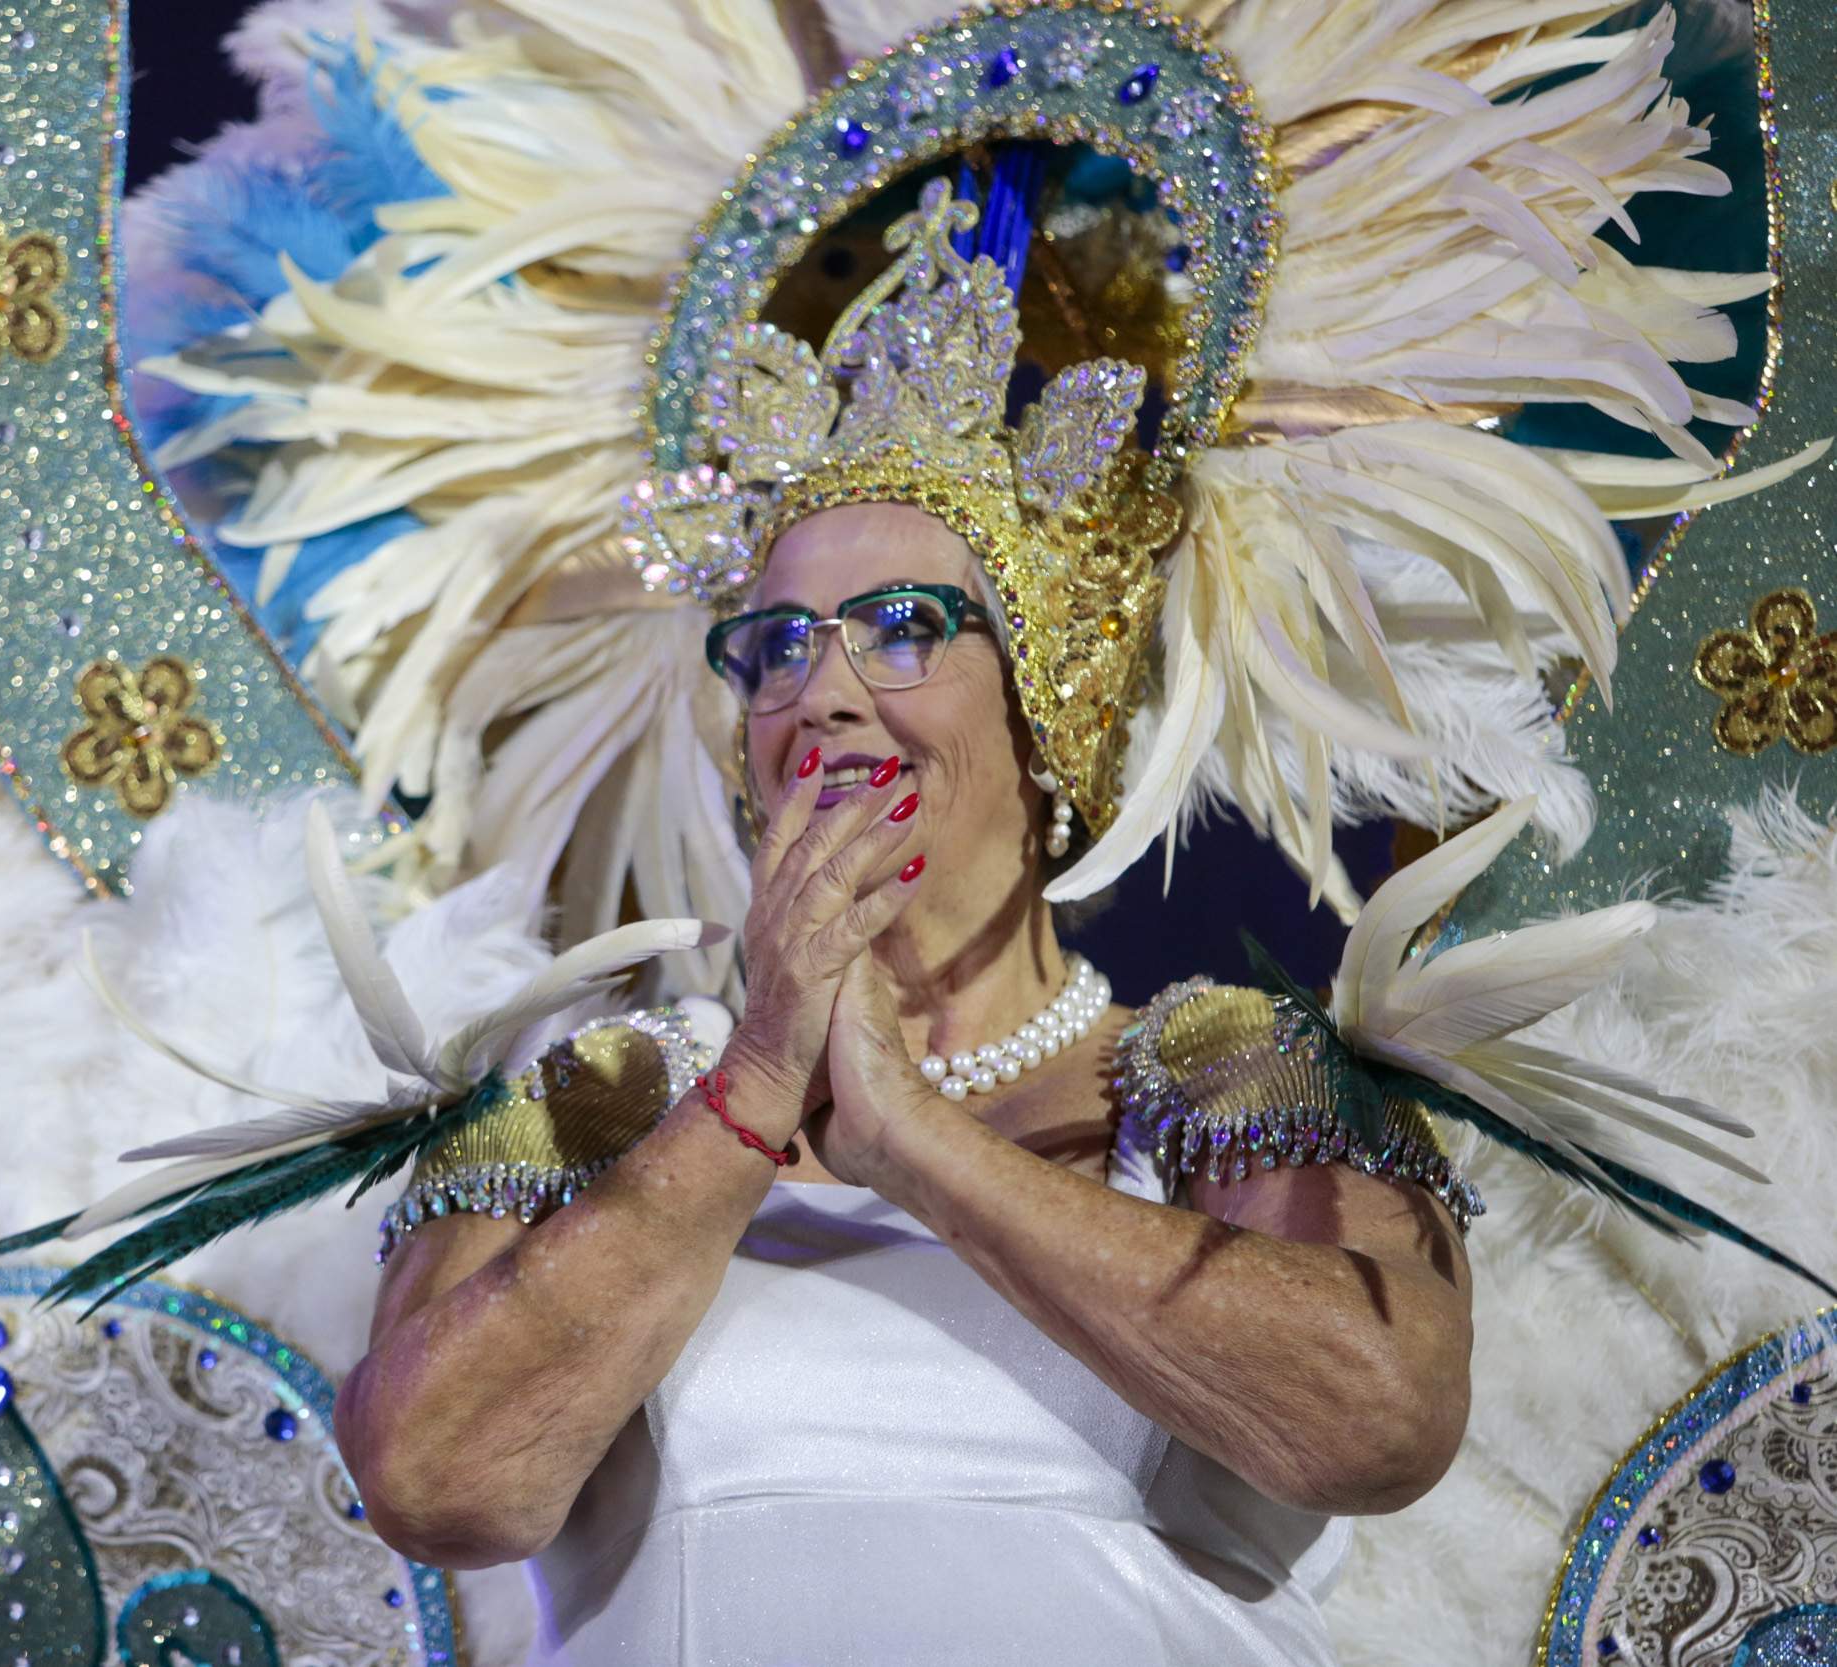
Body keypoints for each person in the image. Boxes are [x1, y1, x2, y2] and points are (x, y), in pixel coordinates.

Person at [332, 488, 1475, 1662]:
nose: (820, 694)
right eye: (776, 645)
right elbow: (431, 1481)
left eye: (902, 626)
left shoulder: (1231, 1068)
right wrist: (759, 1082)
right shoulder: (601, 1094)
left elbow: (1381, 1416)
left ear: (1049, 706)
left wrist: (913, 1139)